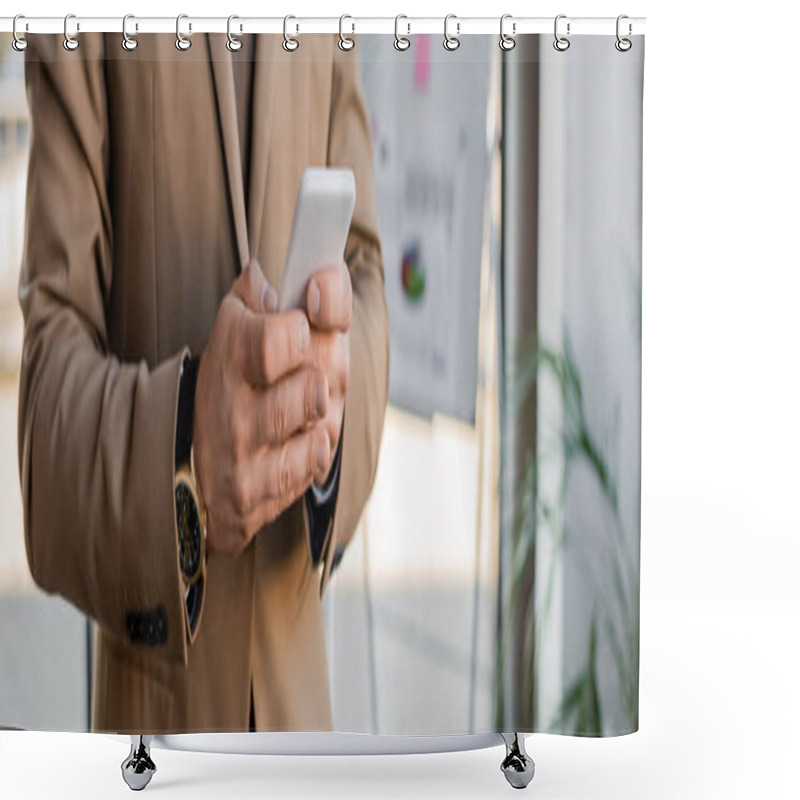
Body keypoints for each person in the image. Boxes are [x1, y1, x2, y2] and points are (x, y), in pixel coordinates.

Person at [17, 32, 388, 734]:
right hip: (155, 725)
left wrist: (337, 388)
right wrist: (186, 449)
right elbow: (43, 414)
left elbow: (364, 266)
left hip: (305, 724)